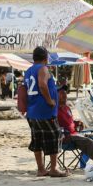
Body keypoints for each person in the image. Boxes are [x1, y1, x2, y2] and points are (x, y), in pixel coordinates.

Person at [24, 46, 67, 177]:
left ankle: (41, 169)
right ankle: (53, 168)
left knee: (37, 139)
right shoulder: (43, 68)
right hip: (44, 110)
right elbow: (42, 84)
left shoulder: (28, 70)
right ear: (46, 57)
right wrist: (49, 101)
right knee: (55, 136)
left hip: (32, 111)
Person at [55, 86, 93, 166]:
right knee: (88, 141)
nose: (65, 95)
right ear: (55, 95)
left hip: (75, 135)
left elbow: (70, 122)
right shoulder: (54, 110)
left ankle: (84, 164)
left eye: (65, 93)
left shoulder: (66, 108)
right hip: (65, 138)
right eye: (62, 93)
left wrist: (77, 123)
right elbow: (54, 127)